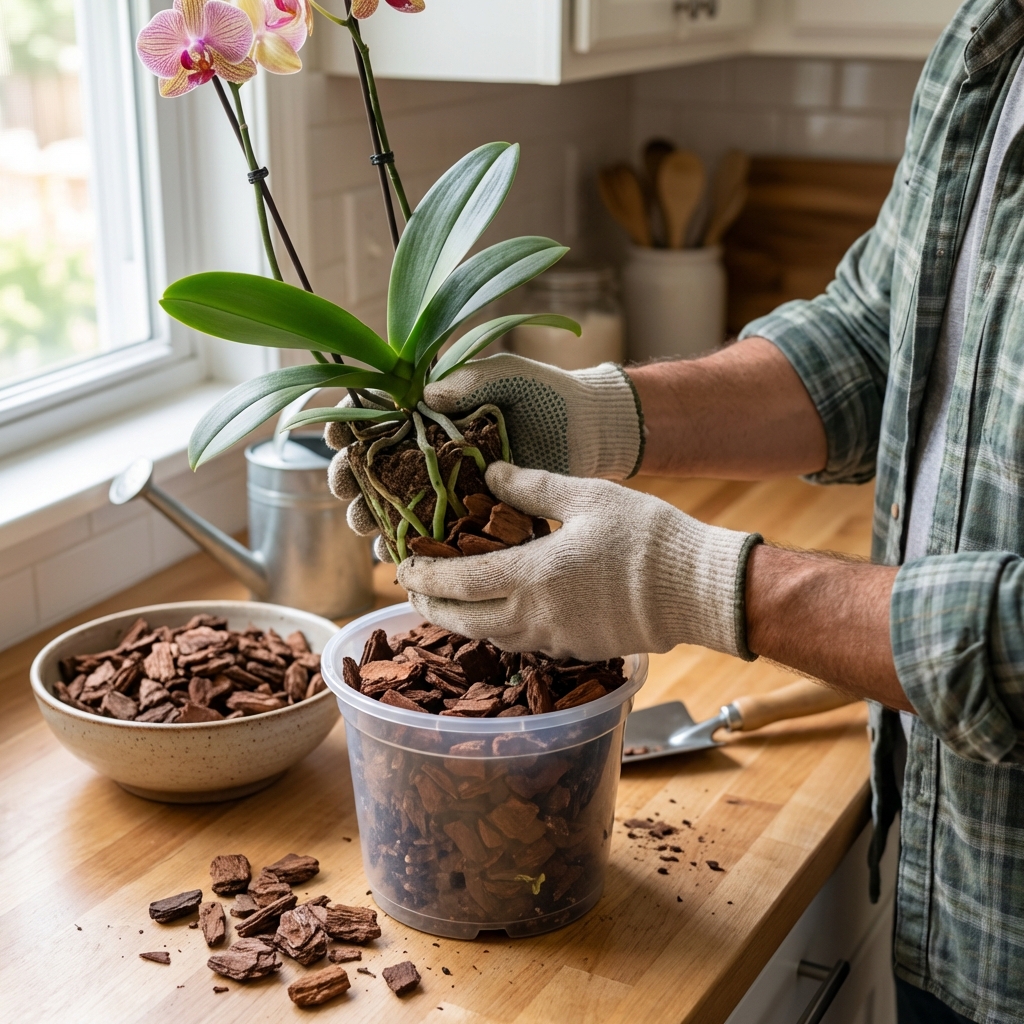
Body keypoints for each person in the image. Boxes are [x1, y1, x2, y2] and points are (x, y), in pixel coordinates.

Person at [329, 3, 1024, 1020]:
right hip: (948, 878)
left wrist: (706, 584)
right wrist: (598, 414)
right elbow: (880, 335)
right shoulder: (990, 34)